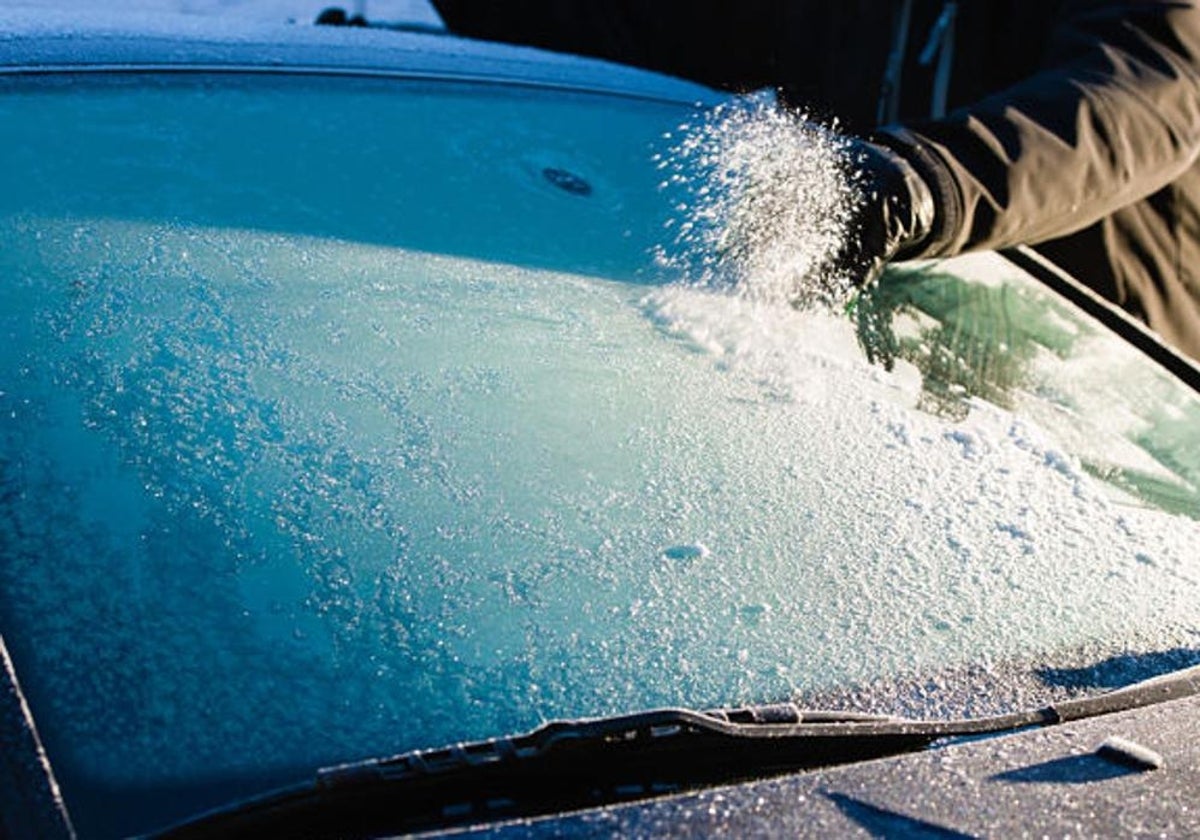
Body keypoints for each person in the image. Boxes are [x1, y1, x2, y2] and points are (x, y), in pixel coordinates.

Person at [430, 0, 1200, 363]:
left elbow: (1153, 89)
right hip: (898, 378)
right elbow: (655, 35)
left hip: (1106, 383)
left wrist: (919, 183)